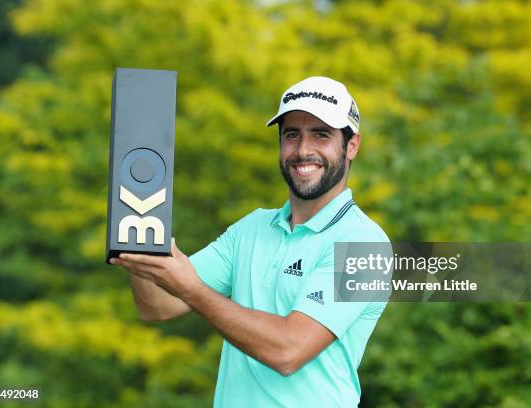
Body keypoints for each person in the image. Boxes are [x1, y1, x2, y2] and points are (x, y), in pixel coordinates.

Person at [111, 76, 391, 407]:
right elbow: (157, 305)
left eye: (321, 135)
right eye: (291, 135)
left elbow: (288, 350)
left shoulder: (365, 244)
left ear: (352, 146)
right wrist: (138, 232)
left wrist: (192, 289)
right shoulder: (252, 228)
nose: (303, 150)